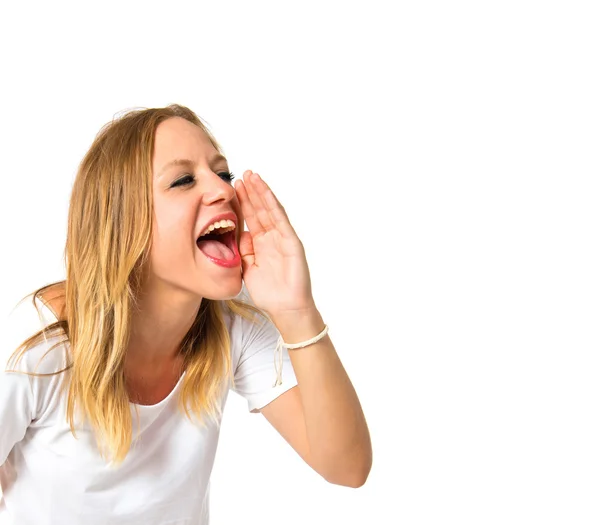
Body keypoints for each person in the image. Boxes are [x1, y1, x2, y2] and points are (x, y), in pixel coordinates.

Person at [0, 104, 372, 524]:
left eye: (222, 174)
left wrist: (298, 312)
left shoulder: (233, 324)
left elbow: (347, 467)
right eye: (183, 180)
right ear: (122, 222)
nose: (224, 191)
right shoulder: (40, 343)